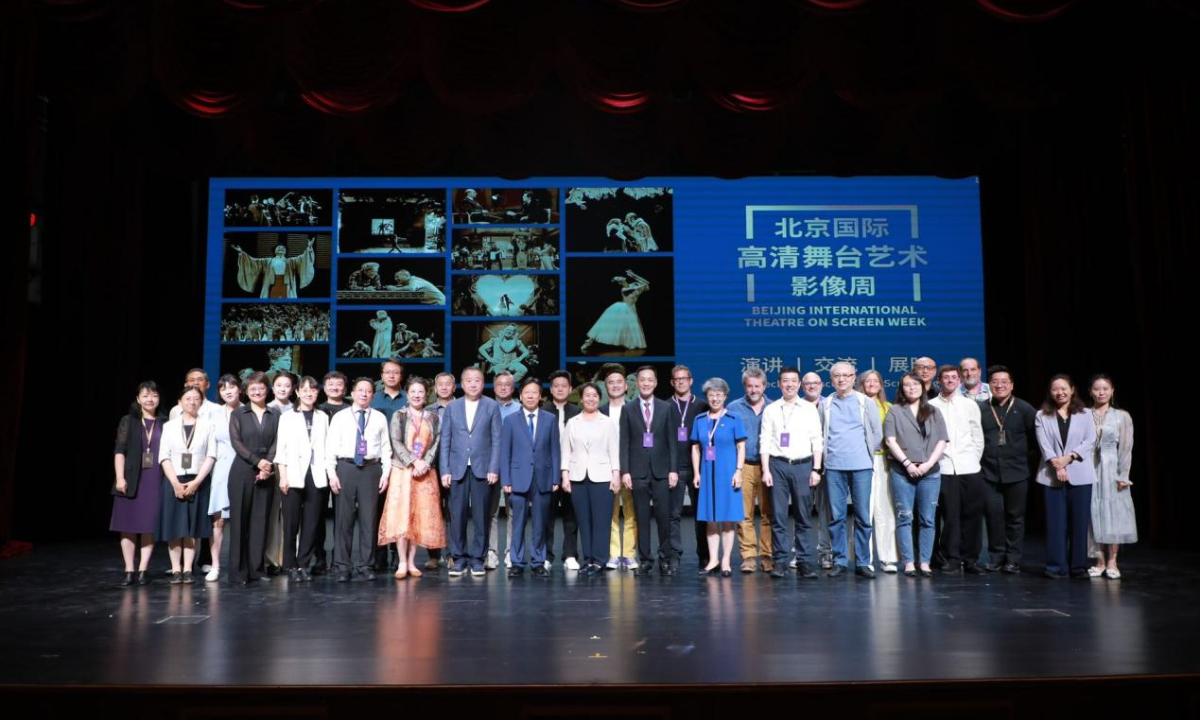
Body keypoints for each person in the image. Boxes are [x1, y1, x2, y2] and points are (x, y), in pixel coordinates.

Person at [326, 377, 392, 582]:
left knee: (369, 520)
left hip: (371, 470)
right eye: (360, 390)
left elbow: (386, 449)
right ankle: (342, 566)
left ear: (373, 395)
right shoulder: (340, 417)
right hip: (345, 468)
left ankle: (366, 564)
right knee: (343, 520)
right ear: (352, 393)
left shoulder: (379, 417)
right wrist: (332, 474)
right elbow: (330, 447)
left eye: (368, 391)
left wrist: (386, 473)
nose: (364, 394)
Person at [760, 367, 824, 579]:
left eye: (793, 381)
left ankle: (804, 561)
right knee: (778, 516)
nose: (789, 384)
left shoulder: (809, 409)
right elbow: (765, 441)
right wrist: (766, 470)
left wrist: (816, 469)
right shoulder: (771, 409)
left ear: (799, 384)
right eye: (785, 381)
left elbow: (817, 440)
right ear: (779, 384)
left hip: (803, 465)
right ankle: (780, 562)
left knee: (803, 516)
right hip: (777, 466)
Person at [821, 362, 883, 578]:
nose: (842, 379)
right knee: (836, 517)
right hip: (834, 467)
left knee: (863, 516)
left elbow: (877, 432)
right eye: (837, 376)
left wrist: (864, 454)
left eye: (846, 375)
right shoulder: (826, 404)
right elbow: (821, 433)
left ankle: (863, 562)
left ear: (854, 378)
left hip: (861, 467)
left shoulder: (865, 402)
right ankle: (839, 560)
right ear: (831, 380)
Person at [439, 366, 502, 577]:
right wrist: (445, 470)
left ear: (483, 383)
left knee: (481, 516)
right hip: (456, 469)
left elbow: (497, 440)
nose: (473, 384)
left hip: (483, 469)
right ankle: (458, 558)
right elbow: (445, 440)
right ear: (462, 384)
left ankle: (477, 559)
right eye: (469, 380)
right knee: (456, 515)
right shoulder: (452, 407)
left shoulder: (492, 406)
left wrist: (494, 467)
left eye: (477, 380)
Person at [884, 373, 949, 577]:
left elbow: (942, 441)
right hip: (902, 471)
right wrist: (907, 463)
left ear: (922, 387)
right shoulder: (895, 410)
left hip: (930, 472)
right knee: (905, 517)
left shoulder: (933, 410)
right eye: (907, 385)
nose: (912, 388)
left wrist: (928, 464)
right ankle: (909, 562)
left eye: (915, 384)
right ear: (901, 389)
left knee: (927, 519)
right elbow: (890, 440)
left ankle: (925, 562)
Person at [379, 376, 444, 579]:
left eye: (421, 392)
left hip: (425, 473)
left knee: (419, 517)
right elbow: (396, 441)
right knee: (402, 516)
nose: (417, 395)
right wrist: (414, 461)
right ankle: (401, 562)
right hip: (403, 471)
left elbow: (437, 442)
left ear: (426, 395)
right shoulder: (399, 415)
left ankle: (412, 561)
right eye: (413, 391)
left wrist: (425, 463)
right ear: (407, 394)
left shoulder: (433, 417)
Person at [1035, 374, 1098, 579]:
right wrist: (1057, 465)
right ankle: (1056, 566)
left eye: (1064, 388)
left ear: (1072, 390)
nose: (1060, 392)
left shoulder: (1086, 414)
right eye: (1055, 389)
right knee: (1055, 524)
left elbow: (1090, 440)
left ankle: (1078, 566)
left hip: (1080, 473)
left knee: (1079, 523)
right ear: (1050, 392)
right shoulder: (1042, 415)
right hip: (1051, 475)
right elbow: (1044, 444)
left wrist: (1069, 458)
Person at [619, 366, 679, 576]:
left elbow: (672, 441)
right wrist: (625, 471)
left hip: (662, 471)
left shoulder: (666, 408)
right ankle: (645, 559)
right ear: (637, 383)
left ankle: (665, 558)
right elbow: (624, 442)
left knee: (664, 517)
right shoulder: (628, 409)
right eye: (642, 379)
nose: (645, 383)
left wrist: (673, 470)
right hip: (637, 471)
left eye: (649, 379)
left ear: (655, 383)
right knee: (641, 518)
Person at [978, 365, 1038, 574]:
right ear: (989, 385)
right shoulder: (981, 408)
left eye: (1004, 382)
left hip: (1017, 472)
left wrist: (1023, 457)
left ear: (1012, 385)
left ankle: (1013, 559)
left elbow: (1036, 439)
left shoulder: (1025, 409)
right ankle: (996, 557)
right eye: (995, 382)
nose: (999, 385)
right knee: (993, 516)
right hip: (988, 472)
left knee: (1015, 517)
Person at [500, 378, 561, 577]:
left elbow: (555, 450)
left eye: (534, 392)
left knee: (540, 522)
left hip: (543, 477)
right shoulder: (510, 420)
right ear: (520, 396)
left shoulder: (550, 419)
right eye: (527, 392)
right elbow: (505, 453)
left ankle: (538, 561)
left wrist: (556, 478)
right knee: (517, 522)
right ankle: (517, 562)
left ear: (540, 396)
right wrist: (506, 480)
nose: (530, 396)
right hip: (518, 478)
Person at [929, 365, 986, 575]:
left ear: (959, 380)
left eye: (954, 377)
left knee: (972, 515)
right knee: (950, 515)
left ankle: (971, 559)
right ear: (939, 381)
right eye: (946, 377)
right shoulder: (931, 405)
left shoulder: (969, 404)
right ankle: (952, 558)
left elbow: (977, 435)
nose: (950, 380)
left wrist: (973, 459)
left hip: (969, 466)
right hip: (944, 467)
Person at [157, 387, 217, 584]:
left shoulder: (208, 425)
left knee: (192, 527)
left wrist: (197, 482)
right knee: (174, 527)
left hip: (197, 481)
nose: (192, 402)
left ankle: (189, 569)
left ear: (201, 402)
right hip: (173, 480)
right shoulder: (169, 426)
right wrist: (175, 483)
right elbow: (164, 456)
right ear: (180, 402)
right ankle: (176, 569)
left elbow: (211, 455)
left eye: (196, 399)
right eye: (188, 398)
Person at [561, 382, 621, 578]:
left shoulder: (607, 422)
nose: (591, 399)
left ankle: (600, 560)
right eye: (587, 395)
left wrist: (616, 474)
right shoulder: (573, 422)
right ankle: (588, 559)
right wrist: (565, 474)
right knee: (584, 521)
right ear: (581, 398)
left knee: (601, 521)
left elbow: (614, 450)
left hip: (602, 477)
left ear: (599, 398)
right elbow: (566, 451)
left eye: (594, 395)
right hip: (578, 476)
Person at [274, 376, 330, 583]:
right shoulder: (287, 417)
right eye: (304, 390)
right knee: (291, 523)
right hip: (293, 474)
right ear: (297, 392)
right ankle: (290, 565)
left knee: (311, 523)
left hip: (316, 474)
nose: (309, 393)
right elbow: (281, 449)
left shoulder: (323, 417)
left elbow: (327, 447)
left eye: (313, 390)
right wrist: (283, 475)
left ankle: (303, 564)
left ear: (317, 393)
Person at [227, 372, 281, 585]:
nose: (257, 392)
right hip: (242, 469)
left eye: (261, 388)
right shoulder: (238, 413)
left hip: (267, 470)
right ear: (245, 391)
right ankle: (238, 571)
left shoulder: (274, 413)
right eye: (252, 388)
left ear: (267, 390)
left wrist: (268, 464)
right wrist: (257, 461)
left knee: (260, 521)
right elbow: (236, 442)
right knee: (240, 521)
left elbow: (277, 441)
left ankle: (257, 569)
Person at [690, 378, 746, 577]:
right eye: (711, 395)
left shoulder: (733, 418)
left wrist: (738, 471)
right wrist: (696, 473)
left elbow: (741, 447)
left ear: (725, 396)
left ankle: (726, 560)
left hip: (728, 474)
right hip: (707, 475)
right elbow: (695, 449)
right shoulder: (699, 420)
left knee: (728, 519)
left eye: (719, 395)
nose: (714, 398)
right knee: (710, 519)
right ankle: (713, 559)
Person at [111, 381, 165, 586]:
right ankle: (129, 570)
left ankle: (143, 569)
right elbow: (119, 451)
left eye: (154, 395)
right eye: (145, 395)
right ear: (138, 399)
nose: (150, 399)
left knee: (148, 526)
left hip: (156, 479)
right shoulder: (129, 421)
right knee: (127, 526)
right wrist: (120, 477)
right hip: (131, 479)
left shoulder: (165, 422)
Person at [1087, 374, 1136, 579]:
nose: (1101, 392)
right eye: (1097, 389)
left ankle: (1112, 561)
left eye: (1105, 388)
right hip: (1089, 466)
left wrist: (1123, 475)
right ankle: (1099, 560)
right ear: (1090, 392)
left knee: (1112, 512)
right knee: (1093, 511)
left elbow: (1125, 447)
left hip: (1111, 467)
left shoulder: (1121, 416)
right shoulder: (1083, 414)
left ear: (1112, 391)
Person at [727, 367, 773, 573]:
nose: (753, 390)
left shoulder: (774, 407)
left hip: (768, 467)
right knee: (743, 514)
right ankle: (748, 557)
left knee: (768, 514)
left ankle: (767, 555)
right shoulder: (733, 408)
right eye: (749, 386)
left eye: (757, 386)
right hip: (743, 466)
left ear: (764, 386)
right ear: (744, 386)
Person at [667, 365, 709, 569]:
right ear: (672, 382)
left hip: (698, 469)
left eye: (684, 378)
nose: (681, 381)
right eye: (677, 379)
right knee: (673, 515)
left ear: (691, 381)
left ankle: (704, 556)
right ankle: (674, 555)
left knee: (701, 514)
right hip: (674, 468)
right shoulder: (665, 407)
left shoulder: (703, 406)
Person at [857, 369, 897, 573]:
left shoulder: (889, 407)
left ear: (881, 385)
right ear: (861, 385)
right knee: (864, 511)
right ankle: (865, 559)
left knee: (885, 510)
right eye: (868, 381)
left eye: (875, 381)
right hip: (861, 460)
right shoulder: (855, 406)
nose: (872, 384)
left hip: (884, 462)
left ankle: (888, 558)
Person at [600, 364, 638, 571]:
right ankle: (614, 554)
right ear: (606, 387)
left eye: (618, 382)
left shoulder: (635, 409)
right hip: (606, 469)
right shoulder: (600, 411)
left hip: (631, 468)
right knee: (610, 512)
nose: (615, 385)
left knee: (632, 512)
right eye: (610, 383)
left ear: (626, 386)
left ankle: (629, 554)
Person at [205, 374, 242, 582]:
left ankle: (241, 565)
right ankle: (215, 565)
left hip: (243, 467)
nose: (228, 391)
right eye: (223, 388)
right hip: (220, 469)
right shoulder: (214, 414)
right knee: (218, 521)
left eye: (232, 387)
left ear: (240, 389)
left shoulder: (247, 410)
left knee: (242, 520)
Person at [544, 370, 581, 572]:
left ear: (570, 388)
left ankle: (570, 555)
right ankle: (546, 556)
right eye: (556, 386)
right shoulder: (543, 411)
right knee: (546, 516)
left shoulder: (578, 412)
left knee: (571, 516)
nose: (560, 389)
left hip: (572, 472)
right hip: (548, 472)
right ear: (551, 389)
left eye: (564, 386)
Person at [424, 372, 458, 570]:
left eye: (448, 384)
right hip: (432, 468)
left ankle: (453, 554)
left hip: (455, 467)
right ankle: (434, 555)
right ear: (435, 389)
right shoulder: (427, 411)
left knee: (454, 512)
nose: (444, 387)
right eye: (440, 384)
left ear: (454, 387)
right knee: (432, 513)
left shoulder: (462, 407)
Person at [488, 372, 521, 570]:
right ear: (494, 387)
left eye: (507, 384)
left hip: (514, 466)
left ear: (513, 387)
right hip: (490, 465)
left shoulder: (520, 409)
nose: (502, 387)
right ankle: (491, 552)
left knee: (514, 511)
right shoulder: (486, 407)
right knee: (489, 511)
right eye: (499, 384)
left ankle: (511, 551)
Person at [800, 372, 832, 569]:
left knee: (825, 511)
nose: (812, 386)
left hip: (826, 465)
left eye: (815, 383)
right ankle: (800, 553)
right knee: (801, 511)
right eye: (808, 384)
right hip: (802, 464)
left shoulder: (830, 405)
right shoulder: (796, 406)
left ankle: (825, 552)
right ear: (802, 386)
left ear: (822, 385)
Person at [580, 270, 649, 353]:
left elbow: (646, 283)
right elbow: (642, 285)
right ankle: (589, 341)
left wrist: (634, 275)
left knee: (630, 328)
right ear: (620, 283)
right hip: (621, 308)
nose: (622, 279)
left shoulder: (634, 287)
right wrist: (637, 281)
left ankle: (629, 344)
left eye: (621, 278)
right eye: (620, 280)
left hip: (631, 309)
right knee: (606, 325)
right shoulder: (625, 289)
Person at [233, 239, 316, 298]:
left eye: (283, 248)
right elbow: (253, 262)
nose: (281, 249)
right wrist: (241, 252)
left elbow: (303, 258)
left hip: (287, 284)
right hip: (272, 284)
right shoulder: (267, 261)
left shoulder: (291, 261)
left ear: (285, 251)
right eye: (278, 248)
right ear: (274, 251)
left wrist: (309, 248)